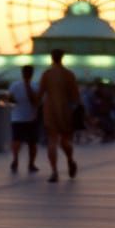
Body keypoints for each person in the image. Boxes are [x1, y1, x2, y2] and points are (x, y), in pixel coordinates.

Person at [37, 48, 79, 183]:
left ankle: (54, 171)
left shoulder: (46, 74)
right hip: (65, 111)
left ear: (51, 57)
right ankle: (70, 160)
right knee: (65, 140)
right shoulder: (69, 74)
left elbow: (40, 94)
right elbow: (75, 96)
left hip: (50, 110)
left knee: (52, 141)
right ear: (62, 57)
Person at [7, 64, 40, 173]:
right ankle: (31, 164)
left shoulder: (14, 85)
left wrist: (17, 101)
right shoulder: (35, 85)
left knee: (17, 140)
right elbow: (36, 101)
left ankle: (15, 159)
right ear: (32, 73)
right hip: (31, 117)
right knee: (32, 143)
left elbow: (10, 99)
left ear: (22, 73)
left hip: (17, 117)